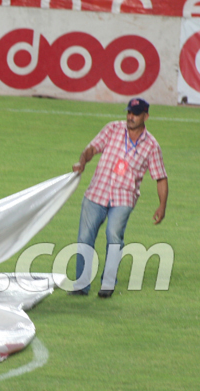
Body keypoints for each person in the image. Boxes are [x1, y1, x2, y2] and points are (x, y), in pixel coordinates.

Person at [70, 97, 169, 298]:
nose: (130, 117)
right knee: (84, 238)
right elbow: (91, 148)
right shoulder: (113, 129)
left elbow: (160, 177)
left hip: (124, 197)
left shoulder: (151, 145)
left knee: (114, 236)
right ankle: (81, 285)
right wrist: (82, 161)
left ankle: (107, 284)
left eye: (136, 113)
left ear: (146, 116)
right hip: (97, 192)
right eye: (129, 112)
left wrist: (162, 206)